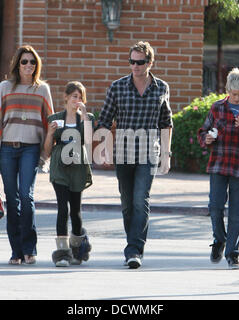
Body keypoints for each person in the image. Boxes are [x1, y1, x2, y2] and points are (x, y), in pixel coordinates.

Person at [97, 41, 173, 269]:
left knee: (141, 200)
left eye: (140, 62)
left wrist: (166, 155)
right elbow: (104, 120)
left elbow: (166, 122)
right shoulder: (117, 87)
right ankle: (133, 244)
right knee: (128, 204)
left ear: (150, 63)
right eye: (132, 61)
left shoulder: (161, 87)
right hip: (124, 152)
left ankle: (134, 250)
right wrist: (105, 148)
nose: (135, 66)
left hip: (149, 152)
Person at [0, 45, 54, 265]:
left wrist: (49, 148)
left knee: (26, 196)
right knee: (12, 199)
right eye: (24, 62)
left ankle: (30, 248)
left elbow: (50, 122)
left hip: (31, 148)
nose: (28, 65)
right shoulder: (5, 87)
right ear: (17, 65)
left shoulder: (42, 90)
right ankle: (16, 251)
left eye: (32, 62)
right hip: (8, 150)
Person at [197, 68, 239, 269]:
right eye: (234, 94)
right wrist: (207, 138)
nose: (237, 98)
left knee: (237, 212)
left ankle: (233, 253)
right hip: (219, 165)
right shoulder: (217, 107)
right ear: (228, 89)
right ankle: (219, 239)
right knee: (215, 207)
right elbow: (203, 132)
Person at [44, 81, 94, 267]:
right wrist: (50, 134)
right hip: (60, 167)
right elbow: (47, 151)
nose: (77, 100)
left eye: (80, 97)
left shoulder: (86, 118)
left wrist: (86, 118)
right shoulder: (55, 118)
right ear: (65, 97)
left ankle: (77, 249)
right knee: (62, 208)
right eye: (74, 96)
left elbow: (89, 141)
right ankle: (62, 252)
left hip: (78, 167)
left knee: (76, 211)